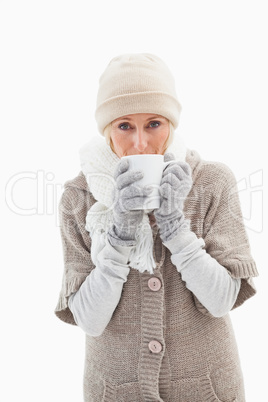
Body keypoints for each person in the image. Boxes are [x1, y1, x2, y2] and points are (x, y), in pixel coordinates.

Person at [54, 53, 258, 402]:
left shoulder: (211, 181)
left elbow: (221, 299)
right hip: (116, 391)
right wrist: (118, 237)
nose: (140, 144)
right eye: (124, 126)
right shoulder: (80, 196)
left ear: (172, 125)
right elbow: (89, 320)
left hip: (205, 389)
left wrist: (175, 227)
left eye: (153, 124)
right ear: (106, 130)